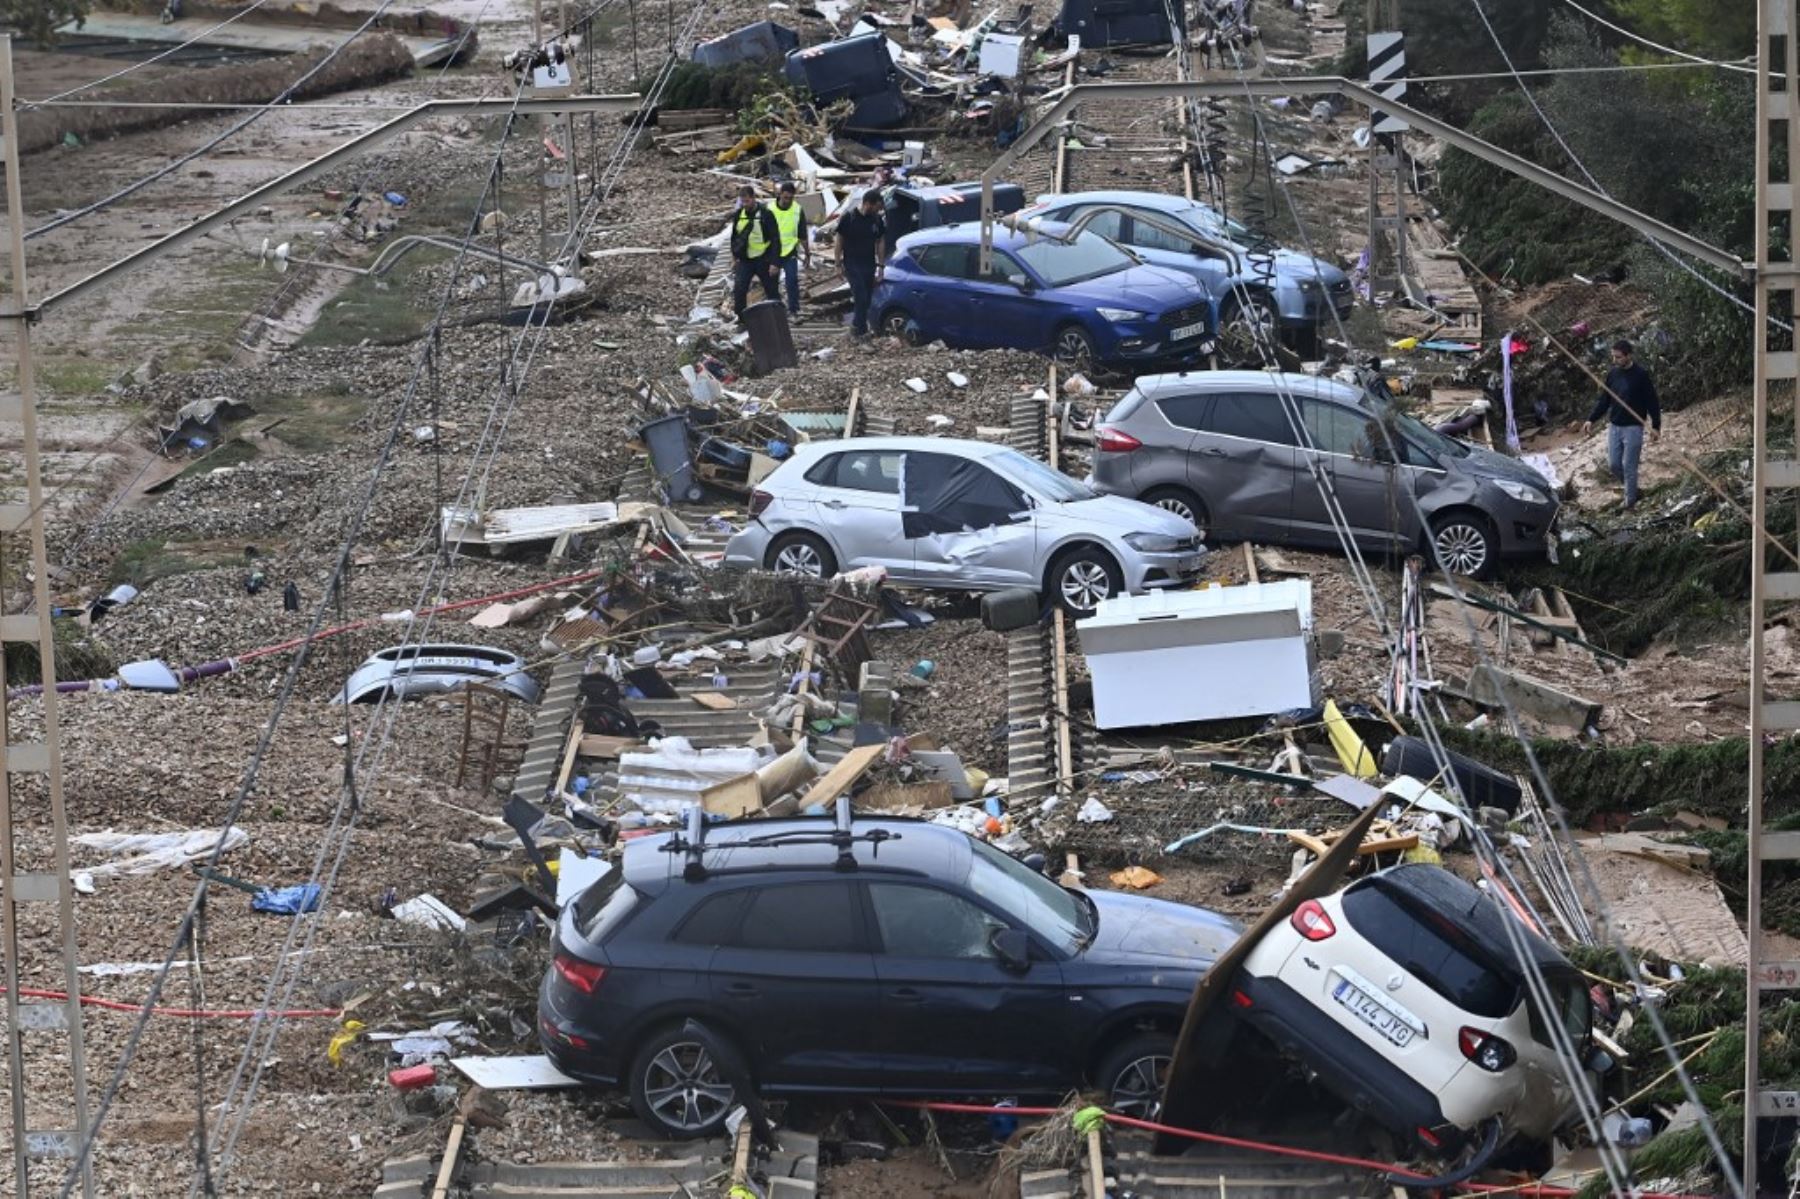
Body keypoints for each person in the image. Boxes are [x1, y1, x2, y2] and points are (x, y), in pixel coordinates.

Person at [1581, 339, 1660, 510]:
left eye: (1618, 357)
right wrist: (1591, 419)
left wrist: (1656, 426)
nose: (1615, 360)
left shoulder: (1641, 375)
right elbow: (1604, 400)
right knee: (1614, 465)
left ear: (1628, 355)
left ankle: (1630, 502)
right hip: (1615, 426)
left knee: (1629, 467)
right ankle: (1633, 490)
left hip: (1633, 427)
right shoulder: (1613, 374)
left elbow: (1652, 401)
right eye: (1614, 357)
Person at [835, 190, 886, 338]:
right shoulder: (849, 218)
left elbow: (881, 241)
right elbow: (839, 241)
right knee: (861, 297)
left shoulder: (876, 220)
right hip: (852, 264)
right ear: (868, 203)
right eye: (877, 206)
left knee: (867, 300)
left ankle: (856, 327)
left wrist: (881, 266)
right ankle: (861, 333)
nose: (879, 210)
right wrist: (838, 264)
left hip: (869, 264)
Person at [729, 185, 779, 318]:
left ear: (753, 198)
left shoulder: (765, 214)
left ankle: (778, 316)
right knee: (739, 289)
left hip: (764, 259)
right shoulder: (739, 215)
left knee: (771, 290)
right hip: (745, 260)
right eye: (743, 202)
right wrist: (734, 257)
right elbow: (734, 237)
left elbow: (775, 238)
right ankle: (741, 319)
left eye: (747, 201)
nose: (745, 204)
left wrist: (775, 262)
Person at [770, 181, 811, 319]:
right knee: (772, 282)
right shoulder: (770, 209)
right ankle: (775, 310)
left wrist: (807, 253)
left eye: (790, 198)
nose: (788, 201)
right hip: (772, 253)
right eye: (785, 197)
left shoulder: (797, 210)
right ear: (780, 194)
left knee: (792, 280)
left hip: (790, 251)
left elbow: (802, 234)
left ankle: (793, 310)